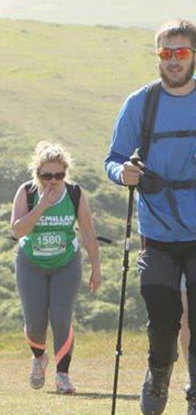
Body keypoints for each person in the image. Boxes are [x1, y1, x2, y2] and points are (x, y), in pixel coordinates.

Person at [104, 19, 196, 414]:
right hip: (157, 229)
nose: (173, 61)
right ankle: (159, 372)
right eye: (166, 53)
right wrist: (122, 173)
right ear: (158, 56)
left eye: (181, 53)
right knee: (161, 311)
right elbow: (113, 159)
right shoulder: (140, 104)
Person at [10, 141, 102, 395]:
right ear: (37, 173)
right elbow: (17, 231)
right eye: (46, 175)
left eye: (58, 175)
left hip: (66, 264)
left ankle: (63, 375)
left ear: (66, 174)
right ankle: (39, 358)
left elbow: (88, 233)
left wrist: (96, 267)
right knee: (35, 323)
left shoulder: (74, 193)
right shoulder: (27, 192)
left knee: (61, 318)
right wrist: (42, 206)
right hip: (31, 264)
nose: (52, 181)